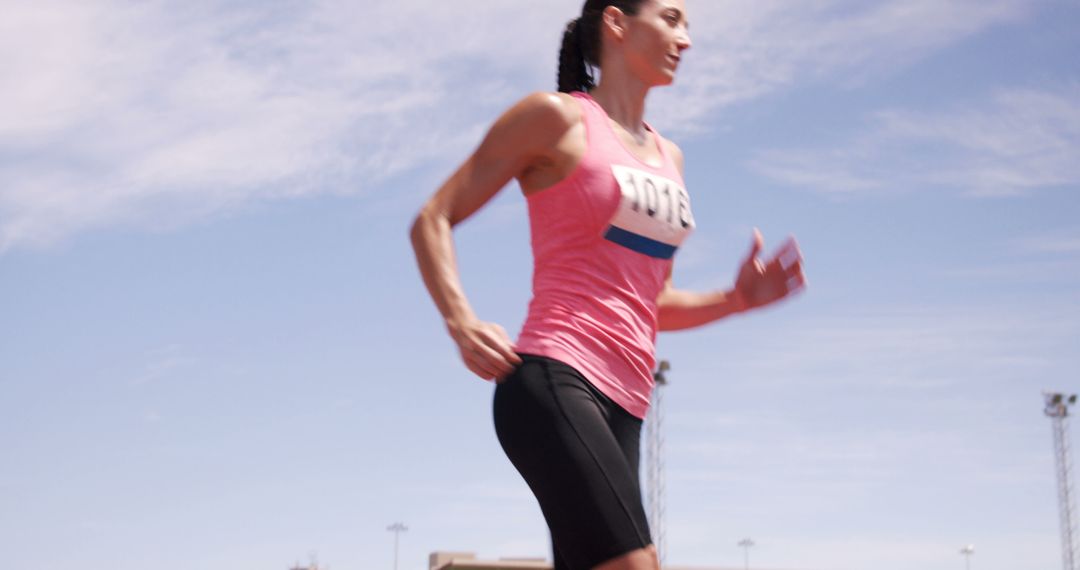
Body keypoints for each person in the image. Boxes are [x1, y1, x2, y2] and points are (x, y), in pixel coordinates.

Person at [409, 1, 806, 568]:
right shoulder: (555, 118)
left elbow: (655, 304)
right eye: (670, 18)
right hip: (554, 378)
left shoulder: (671, 157)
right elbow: (433, 217)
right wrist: (461, 320)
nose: (686, 38)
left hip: (628, 402)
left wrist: (737, 300)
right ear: (617, 23)